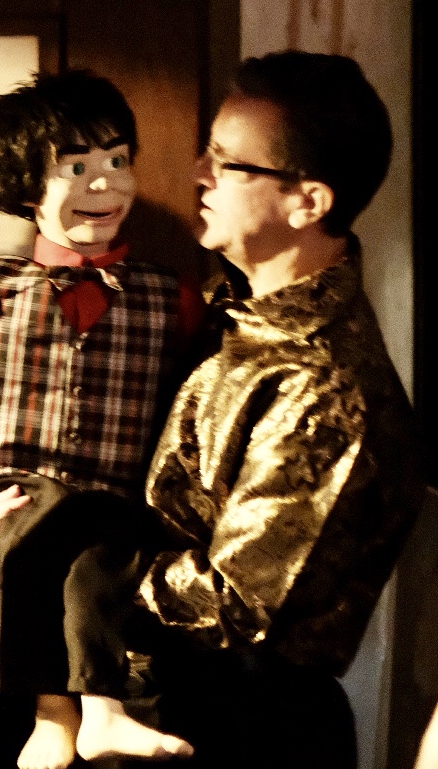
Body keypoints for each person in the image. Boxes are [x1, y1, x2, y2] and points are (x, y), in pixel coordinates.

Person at [0, 71, 200, 769]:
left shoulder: (170, 295)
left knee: (99, 564)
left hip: (113, 487)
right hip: (15, 483)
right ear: (26, 188)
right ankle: (54, 715)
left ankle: (101, 714)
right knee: (30, 547)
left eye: (117, 160)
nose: (104, 183)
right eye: (76, 168)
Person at [134, 51, 423, 768]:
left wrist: (80, 570)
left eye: (227, 162)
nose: (199, 173)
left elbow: (238, 603)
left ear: (308, 201)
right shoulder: (229, 311)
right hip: (171, 701)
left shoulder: (328, 385)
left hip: (240, 728)